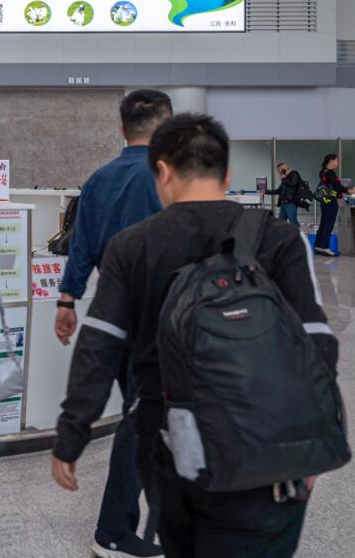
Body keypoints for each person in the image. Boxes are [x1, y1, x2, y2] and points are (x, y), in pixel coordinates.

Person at [51, 113, 338, 557]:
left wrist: (71, 437)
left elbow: (99, 347)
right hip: (271, 449)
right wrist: (313, 443)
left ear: (162, 172)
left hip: (175, 449)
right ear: (226, 174)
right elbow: (317, 340)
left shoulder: (132, 245)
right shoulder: (279, 239)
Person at [55, 89, 172, 558]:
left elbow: (79, 245)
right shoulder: (166, 177)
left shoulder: (98, 179)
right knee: (144, 416)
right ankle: (113, 532)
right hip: (156, 315)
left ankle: (151, 521)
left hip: (111, 311)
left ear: (122, 130)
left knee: (146, 414)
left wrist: (67, 300)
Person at [314, 153, 355, 257]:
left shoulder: (323, 171)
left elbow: (331, 185)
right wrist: (351, 191)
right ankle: (325, 247)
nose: (338, 163)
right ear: (331, 161)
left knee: (323, 223)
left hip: (324, 200)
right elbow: (337, 187)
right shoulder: (330, 173)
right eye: (336, 161)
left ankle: (318, 246)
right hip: (331, 200)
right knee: (329, 224)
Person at [264, 162, 307, 228]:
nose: (279, 173)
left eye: (279, 170)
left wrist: (283, 178)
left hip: (291, 203)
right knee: (281, 221)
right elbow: (278, 191)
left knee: (293, 221)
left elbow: (292, 183)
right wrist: (265, 191)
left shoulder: (294, 174)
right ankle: (282, 234)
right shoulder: (285, 180)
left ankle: (299, 233)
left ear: (283, 169)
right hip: (284, 203)